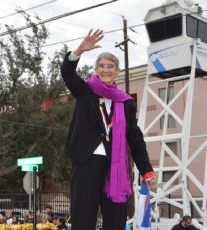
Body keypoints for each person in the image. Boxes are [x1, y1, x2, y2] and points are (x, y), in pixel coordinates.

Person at [60, 29, 155, 230]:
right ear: (96, 70)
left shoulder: (126, 102)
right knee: (83, 216)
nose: (106, 70)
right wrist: (79, 51)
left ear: (117, 71)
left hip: (115, 165)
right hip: (87, 160)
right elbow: (67, 73)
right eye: (102, 66)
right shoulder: (85, 91)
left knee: (115, 218)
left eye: (110, 66)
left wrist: (146, 170)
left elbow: (135, 138)